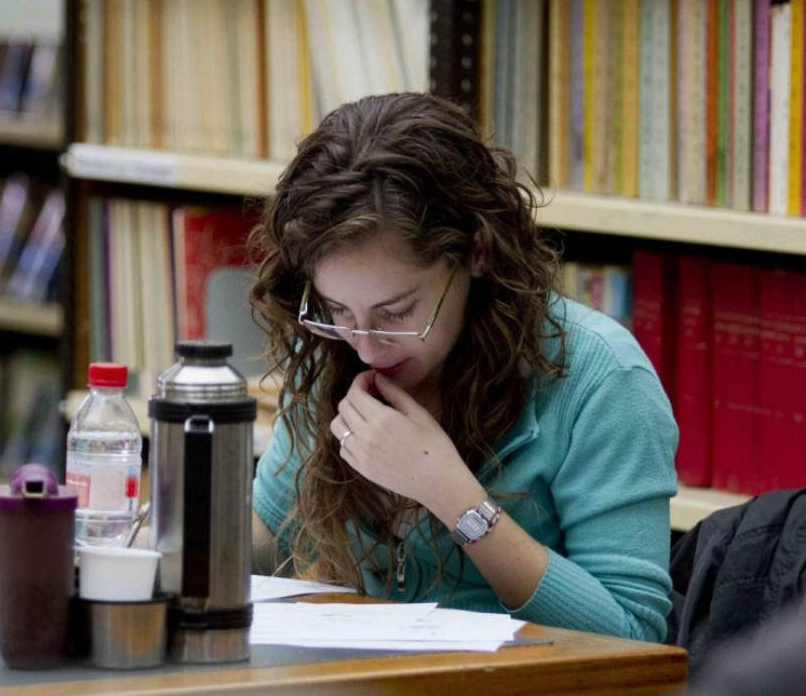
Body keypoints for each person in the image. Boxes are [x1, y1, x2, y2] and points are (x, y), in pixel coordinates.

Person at [247, 92, 678, 643]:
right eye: (337, 311)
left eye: (397, 312)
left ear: (475, 253)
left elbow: (634, 637)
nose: (367, 349)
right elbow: (266, 543)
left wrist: (449, 493)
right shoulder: (333, 355)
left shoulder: (600, 379)